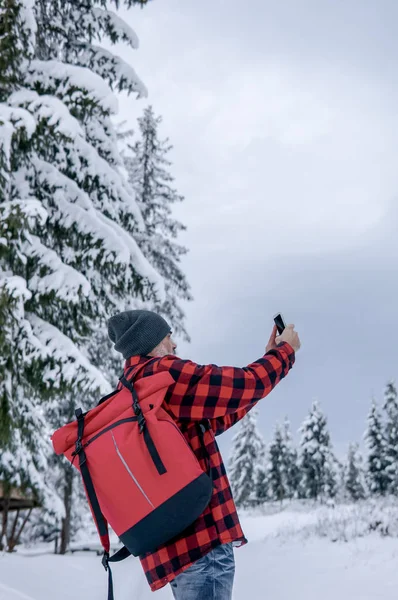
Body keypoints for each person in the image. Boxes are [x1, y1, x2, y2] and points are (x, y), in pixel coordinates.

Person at [108, 309, 300, 600]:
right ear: (153, 343)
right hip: (203, 544)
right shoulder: (165, 373)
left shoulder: (135, 390)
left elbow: (218, 414)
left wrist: (268, 365)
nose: (174, 346)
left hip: (174, 550)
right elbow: (239, 386)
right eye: (168, 337)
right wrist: (284, 353)